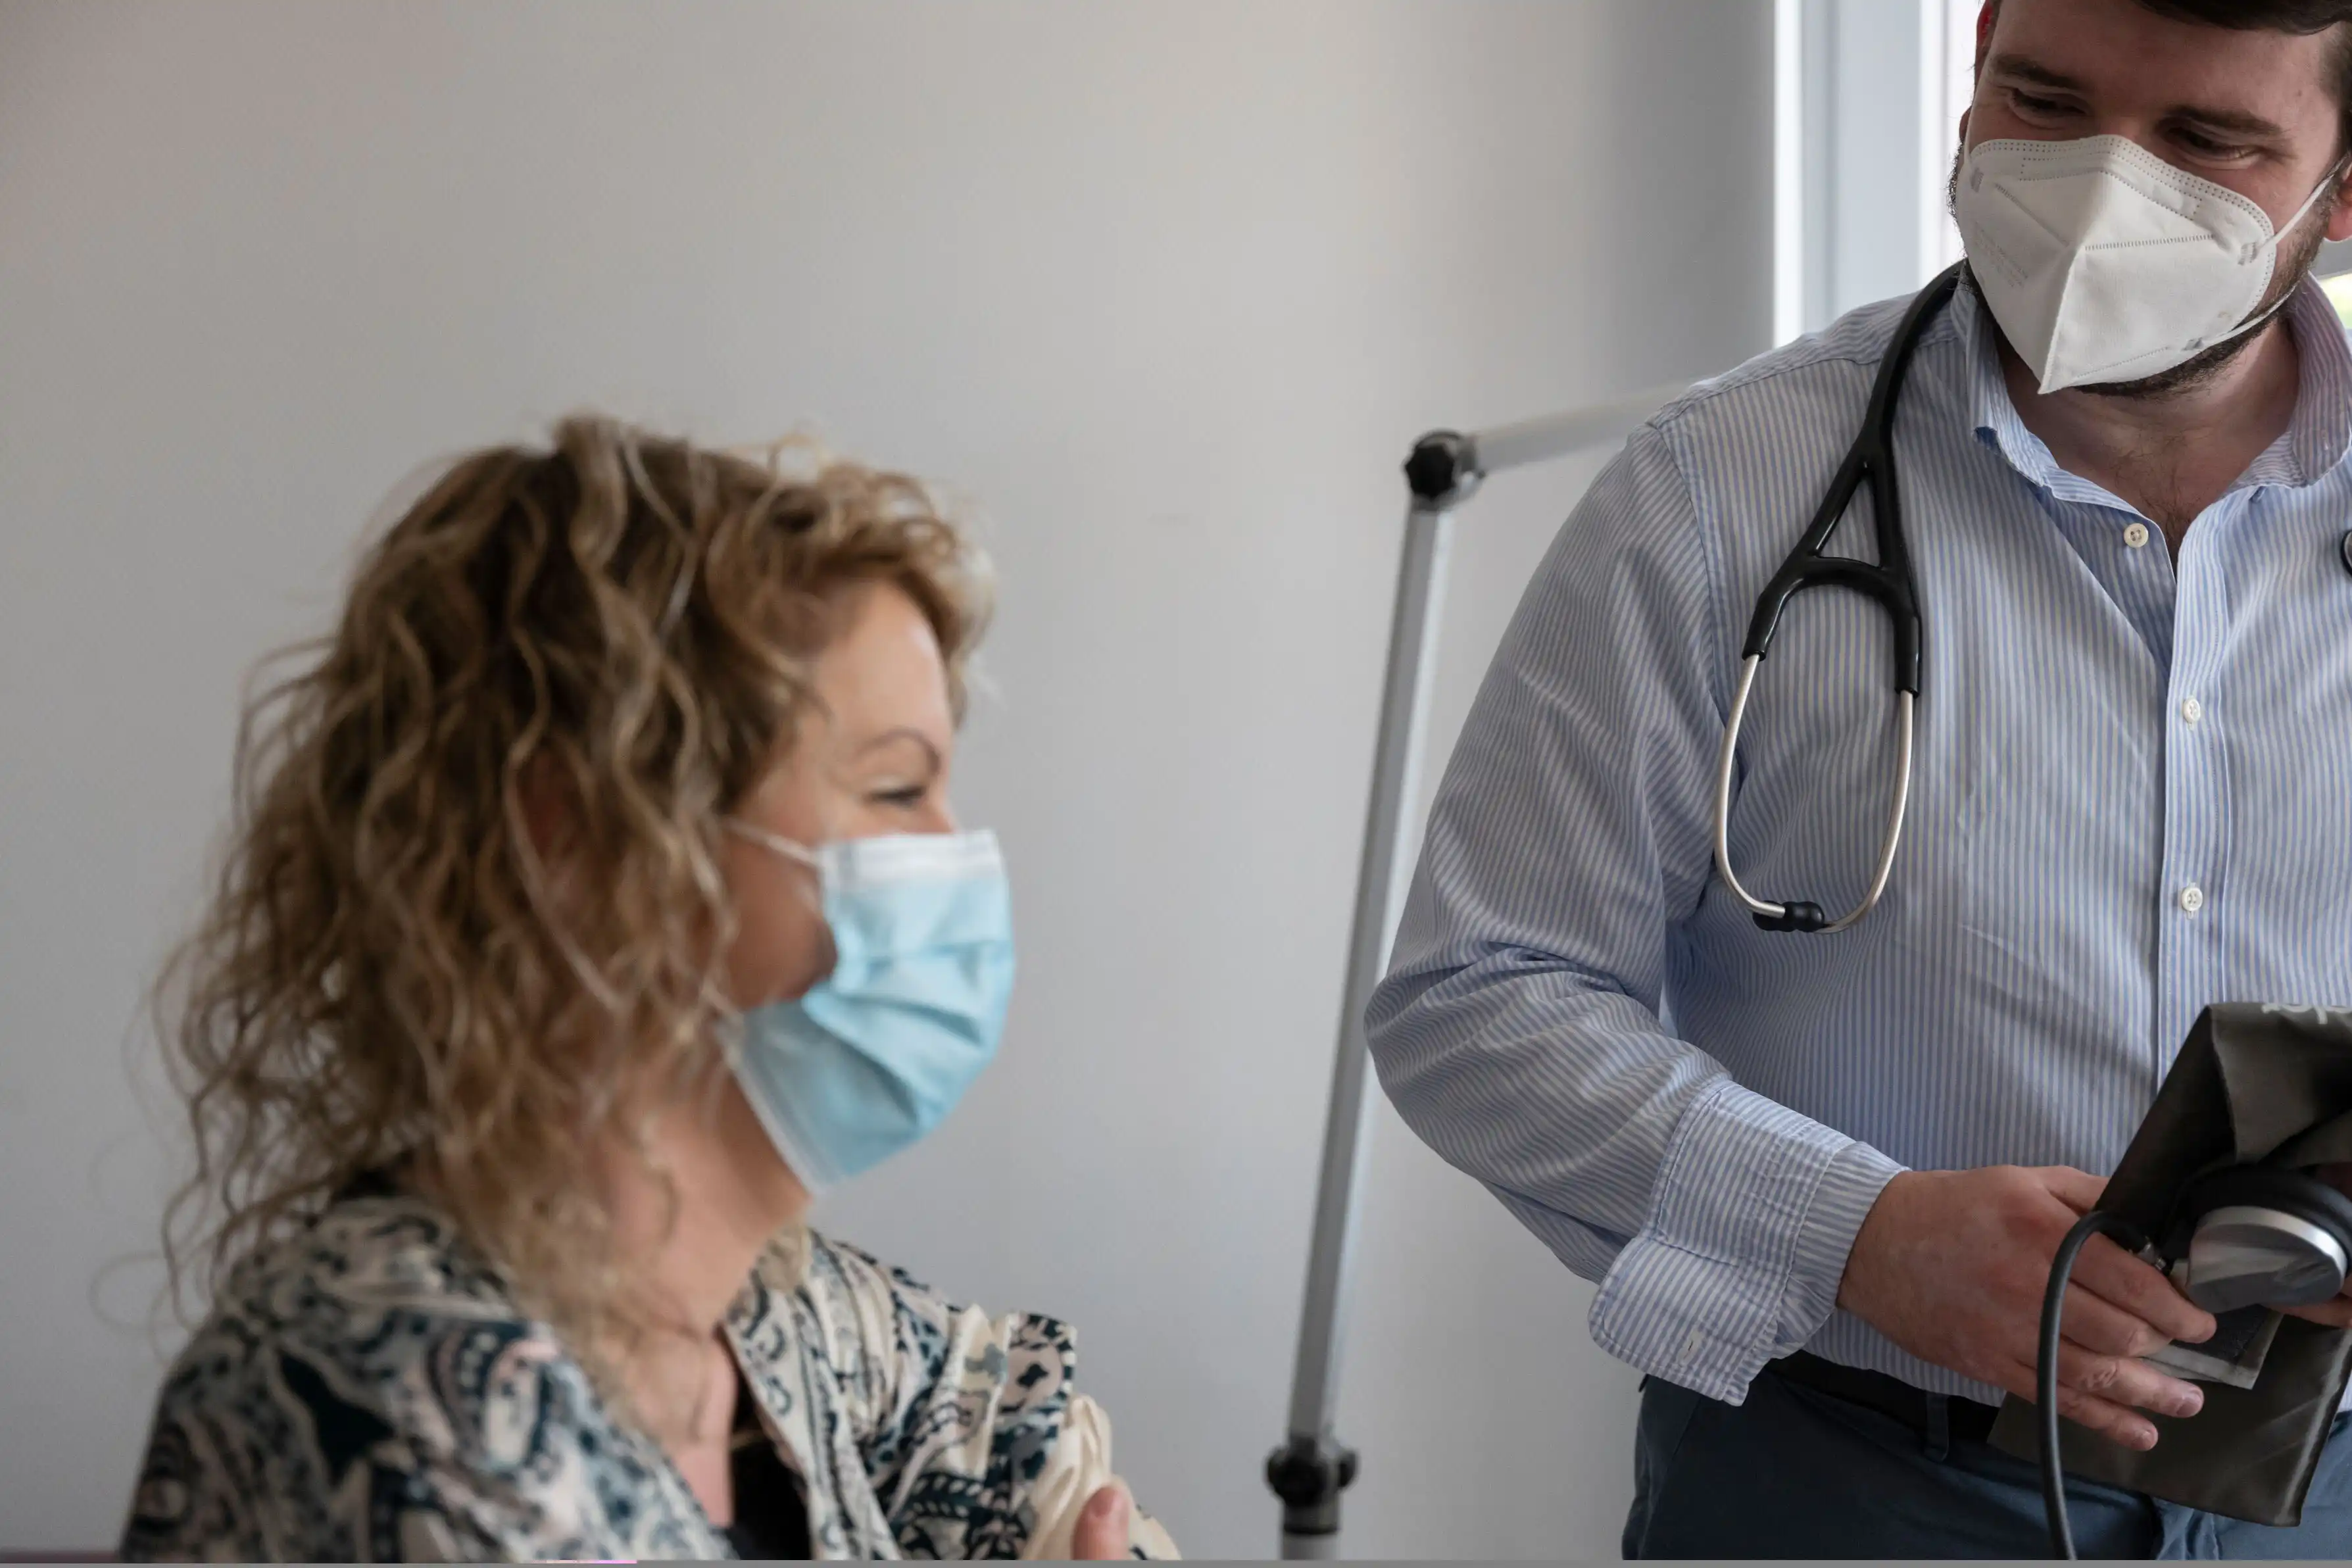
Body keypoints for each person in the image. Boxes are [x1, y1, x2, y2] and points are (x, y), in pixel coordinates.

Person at [1367, 0, 2352, 1556]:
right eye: (2044, 101)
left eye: (2206, 144)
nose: (2103, 189)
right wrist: (1856, 1234)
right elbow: (1479, 993)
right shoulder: (1721, 490)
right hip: (1845, 1484)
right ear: (1967, 81)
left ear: (2342, 189)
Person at [118, 416, 1177, 1561]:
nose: (955, 855)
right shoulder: (394, 1410)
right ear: (582, 845)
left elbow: (1041, 1452)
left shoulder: (773, 1317)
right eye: (895, 789)